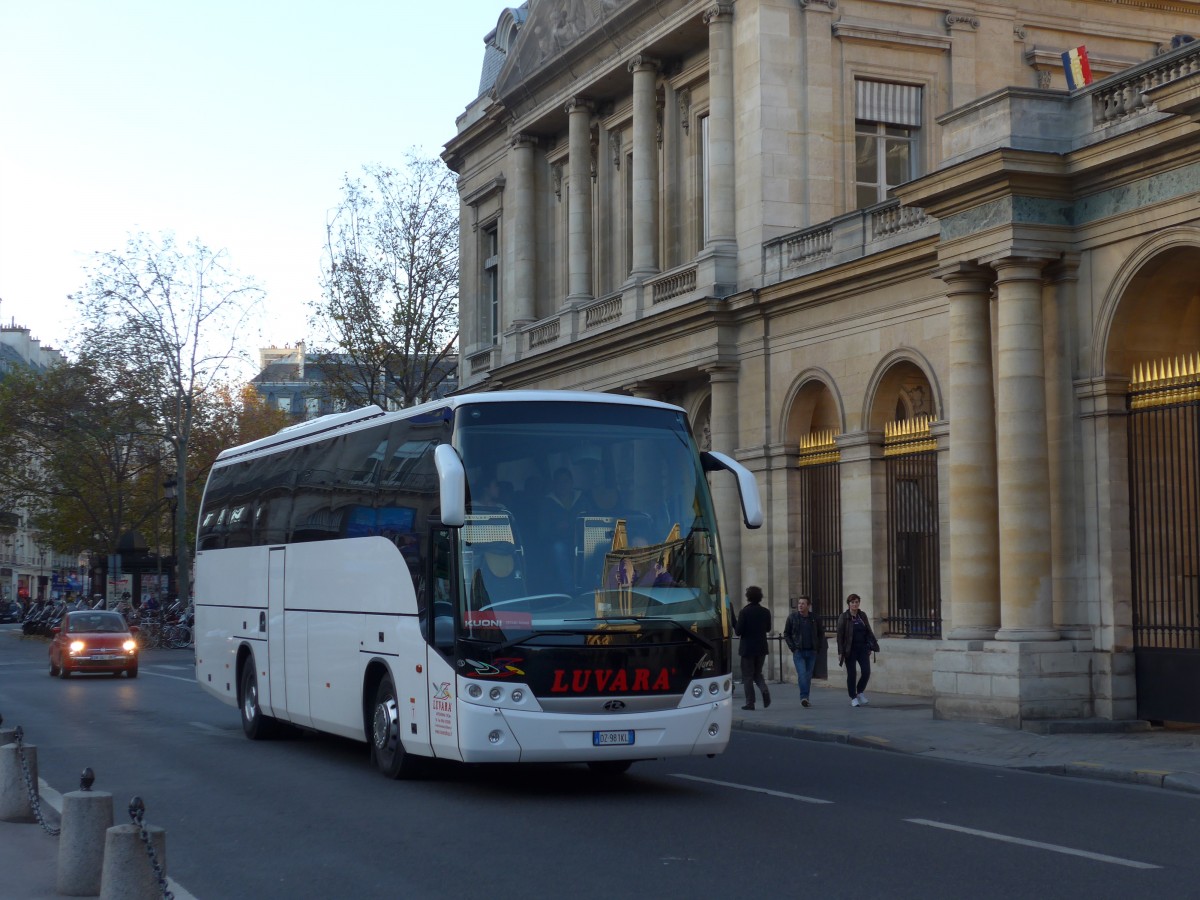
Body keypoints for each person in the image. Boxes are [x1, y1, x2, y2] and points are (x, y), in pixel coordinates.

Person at [836, 593, 880, 707]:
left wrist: (870, 646)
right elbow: (840, 636)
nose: (855, 604)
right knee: (852, 674)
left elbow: (868, 631)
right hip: (849, 649)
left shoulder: (862, 615)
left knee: (866, 671)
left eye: (856, 602)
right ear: (849, 604)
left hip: (863, 648)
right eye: (852, 602)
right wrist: (840, 652)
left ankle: (860, 692)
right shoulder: (844, 617)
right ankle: (853, 697)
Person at [734, 585, 771, 710]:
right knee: (758, 673)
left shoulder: (744, 612)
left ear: (748, 597)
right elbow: (768, 628)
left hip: (747, 649)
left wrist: (733, 620)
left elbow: (738, 631)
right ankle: (764, 689)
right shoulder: (766, 612)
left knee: (748, 676)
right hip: (761, 647)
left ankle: (750, 702)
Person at [784, 596, 826, 707]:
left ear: (808, 606)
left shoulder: (815, 618)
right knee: (802, 674)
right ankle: (803, 697)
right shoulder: (792, 617)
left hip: (812, 651)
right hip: (799, 652)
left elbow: (821, 634)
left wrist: (818, 647)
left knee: (807, 676)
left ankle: (806, 698)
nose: (800, 605)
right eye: (799, 603)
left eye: (803, 603)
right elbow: (786, 633)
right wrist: (793, 647)